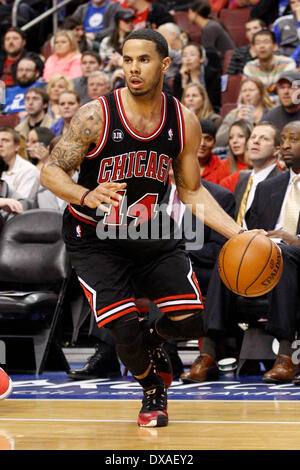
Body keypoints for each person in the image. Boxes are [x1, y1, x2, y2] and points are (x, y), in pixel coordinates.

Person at [40, 28, 263, 428]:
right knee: (122, 327)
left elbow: (192, 191)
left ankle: (153, 340)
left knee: (194, 319)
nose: (133, 68)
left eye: (143, 60)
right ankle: (152, 390)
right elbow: (51, 171)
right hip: (94, 238)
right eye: (127, 60)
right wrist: (84, 194)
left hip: (149, 232)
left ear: (163, 64)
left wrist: (239, 234)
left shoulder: (184, 120)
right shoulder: (96, 115)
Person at [181, 121, 283, 383]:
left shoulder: (279, 182)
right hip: (235, 259)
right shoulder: (240, 181)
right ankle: (202, 351)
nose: (255, 141)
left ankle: (210, 351)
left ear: (277, 150)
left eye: (264, 138)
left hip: (265, 258)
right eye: (254, 137)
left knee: (226, 259)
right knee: (201, 262)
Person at [216, 77, 274, 147]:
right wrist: (235, 122)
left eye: (251, 90)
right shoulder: (234, 114)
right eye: (244, 91)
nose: (247, 94)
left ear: (261, 92)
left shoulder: (272, 113)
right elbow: (219, 141)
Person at [243, 30, 296, 102]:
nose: (262, 46)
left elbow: (292, 95)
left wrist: (262, 100)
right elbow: (246, 98)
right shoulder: (249, 68)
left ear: (275, 46)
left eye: (266, 42)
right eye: (258, 43)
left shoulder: (287, 63)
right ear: (253, 48)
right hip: (259, 110)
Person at [173, 42, 221, 113]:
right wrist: (184, 82)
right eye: (184, 56)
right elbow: (177, 105)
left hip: (208, 113)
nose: (188, 59)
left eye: (192, 55)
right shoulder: (179, 77)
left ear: (201, 59)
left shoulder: (212, 75)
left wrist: (194, 77)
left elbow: (212, 101)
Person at [187, 0, 235, 66]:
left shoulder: (210, 27)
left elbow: (208, 54)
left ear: (195, 13)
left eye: (189, 12)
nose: (188, 16)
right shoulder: (210, 25)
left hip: (227, 64)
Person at [0, 127, 40, 200]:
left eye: (5, 140)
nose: (0, 144)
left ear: (17, 146)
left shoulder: (29, 171)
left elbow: (21, 204)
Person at [218, 119, 253, 192]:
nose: (234, 141)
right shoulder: (224, 166)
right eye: (231, 137)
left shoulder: (258, 164)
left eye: (240, 136)